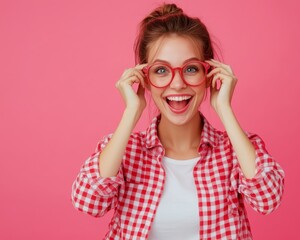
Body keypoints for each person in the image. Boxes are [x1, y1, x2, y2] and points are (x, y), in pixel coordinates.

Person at [71, 3, 285, 240]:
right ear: (145, 79)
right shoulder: (125, 150)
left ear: (209, 75)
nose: (177, 83)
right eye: (161, 71)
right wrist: (132, 112)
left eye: (191, 68)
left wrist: (224, 108)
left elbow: (268, 199)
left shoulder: (234, 151)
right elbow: (88, 202)